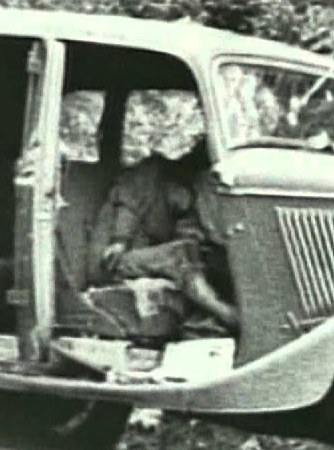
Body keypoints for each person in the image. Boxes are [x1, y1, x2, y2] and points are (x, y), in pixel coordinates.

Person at [89, 138, 240, 332]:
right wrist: (120, 239)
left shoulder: (179, 198)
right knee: (181, 254)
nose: (188, 204)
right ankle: (225, 313)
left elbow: (187, 228)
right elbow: (127, 208)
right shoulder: (148, 174)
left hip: (141, 256)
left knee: (198, 253)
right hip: (111, 260)